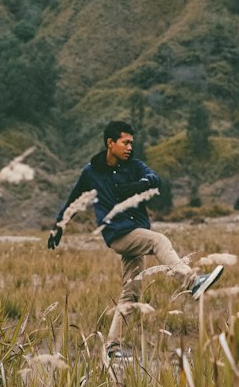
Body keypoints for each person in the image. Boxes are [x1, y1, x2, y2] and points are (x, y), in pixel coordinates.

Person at [47, 119, 224, 353]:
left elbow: (154, 179)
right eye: (125, 142)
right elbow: (72, 201)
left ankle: (112, 347)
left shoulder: (135, 166)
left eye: (132, 143)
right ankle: (192, 282)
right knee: (158, 240)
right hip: (117, 233)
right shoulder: (91, 173)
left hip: (136, 228)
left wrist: (139, 185)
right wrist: (59, 226)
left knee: (131, 291)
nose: (130, 147)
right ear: (110, 143)